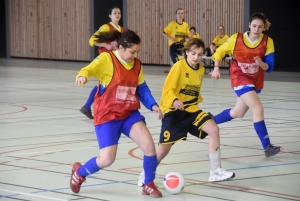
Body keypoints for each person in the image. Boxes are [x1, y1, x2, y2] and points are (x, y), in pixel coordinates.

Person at [70, 30, 163, 198]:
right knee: (107, 159)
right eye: (132, 52)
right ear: (121, 48)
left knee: (149, 147)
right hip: (107, 116)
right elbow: (88, 69)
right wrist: (82, 76)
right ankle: (80, 173)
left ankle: (148, 183)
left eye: (137, 52)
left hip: (128, 113)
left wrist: (153, 105)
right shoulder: (107, 59)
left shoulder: (136, 64)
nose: (135, 55)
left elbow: (141, 87)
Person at [138, 38, 235, 187]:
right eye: (193, 53)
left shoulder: (201, 70)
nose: (196, 57)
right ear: (186, 52)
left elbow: (194, 92)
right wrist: (174, 100)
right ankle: (146, 173)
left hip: (191, 109)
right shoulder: (179, 66)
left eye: (200, 54)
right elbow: (168, 89)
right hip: (174, 111)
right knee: (164, 150)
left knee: (214, 129)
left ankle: (215, 172)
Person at [210, 13, 282, 157]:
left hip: (254, 80)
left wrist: (261, 63)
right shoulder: (236, 38)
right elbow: (219, 52)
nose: (256, 29)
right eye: (254, 26)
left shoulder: (268, 41)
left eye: (260, 27)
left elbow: (270, 67)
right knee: (258, 107)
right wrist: (216, 68)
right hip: (239, 78)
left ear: (263, 28)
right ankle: (267, 146)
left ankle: (209, 122)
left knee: (238, 112)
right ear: (249, 25)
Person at [80, 6, 124, 119]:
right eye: (115, 13)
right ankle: (94, 106)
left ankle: (87, 106)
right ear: (110, 15)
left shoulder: (122, 30)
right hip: (106, 59)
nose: (117, 14)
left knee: (104, 84)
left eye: (119, 13)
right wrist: (106, 45)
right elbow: (92, 40)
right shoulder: (106, 27)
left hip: (116, 60)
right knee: (105, 83)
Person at [163, 8, 190, 73]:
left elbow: (187, 36)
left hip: (182, 47)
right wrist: (171, 38)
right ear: (176, 15)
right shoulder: (171, 24)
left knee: (183, 63)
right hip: (174, 46)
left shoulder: (185, 25)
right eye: (179, 13)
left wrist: (188, 39)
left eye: (182, 13)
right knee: (177, 63)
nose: (180, 15)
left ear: (184, 15)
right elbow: (163, 33)